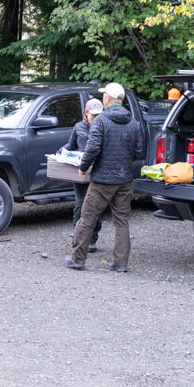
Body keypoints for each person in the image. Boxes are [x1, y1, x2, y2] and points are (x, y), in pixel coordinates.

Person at [65, 82, 144, 272]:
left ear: (108, 98)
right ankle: (120, 263)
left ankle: (78, 259)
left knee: (87, 218)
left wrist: (83, 168)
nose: (103, 98)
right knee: (122, 221)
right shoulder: (134, 123)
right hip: (124, 180)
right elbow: (139, 151)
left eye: (104, 96)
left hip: (102, 181)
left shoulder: (100, 121)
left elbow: (92, 149)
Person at [63, 98, 104, 252]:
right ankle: (78, 237)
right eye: (93, 115)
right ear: (85, 113)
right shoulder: (78, 127)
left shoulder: (104, 126)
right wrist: (62, 151)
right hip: (80, 172)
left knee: (95, 206)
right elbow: (71, 145)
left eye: (99, 115)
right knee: (80, 205)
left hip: (98, 172)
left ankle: (92, 240)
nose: (96, 118)